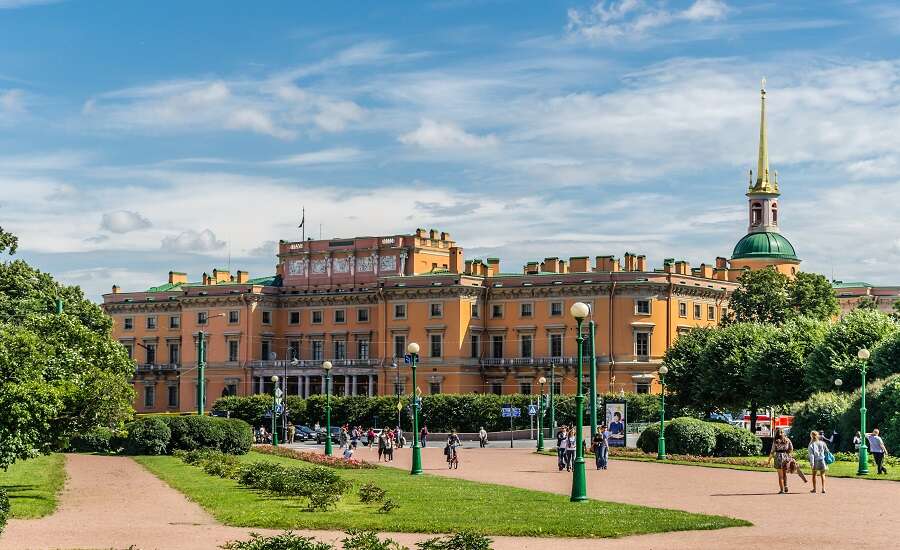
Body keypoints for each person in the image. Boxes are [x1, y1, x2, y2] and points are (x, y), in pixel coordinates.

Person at [767, 427, 806, 493]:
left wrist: (769, 460)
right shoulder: (787, 440)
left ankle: (782, 490)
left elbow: (772, 451)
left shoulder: (775, 441)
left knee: (780, 475)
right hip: (786, 457)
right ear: (783, 433)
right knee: (785, 473)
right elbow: (791, 448)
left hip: (778, 457)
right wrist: (788, 454)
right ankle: (786, 486)